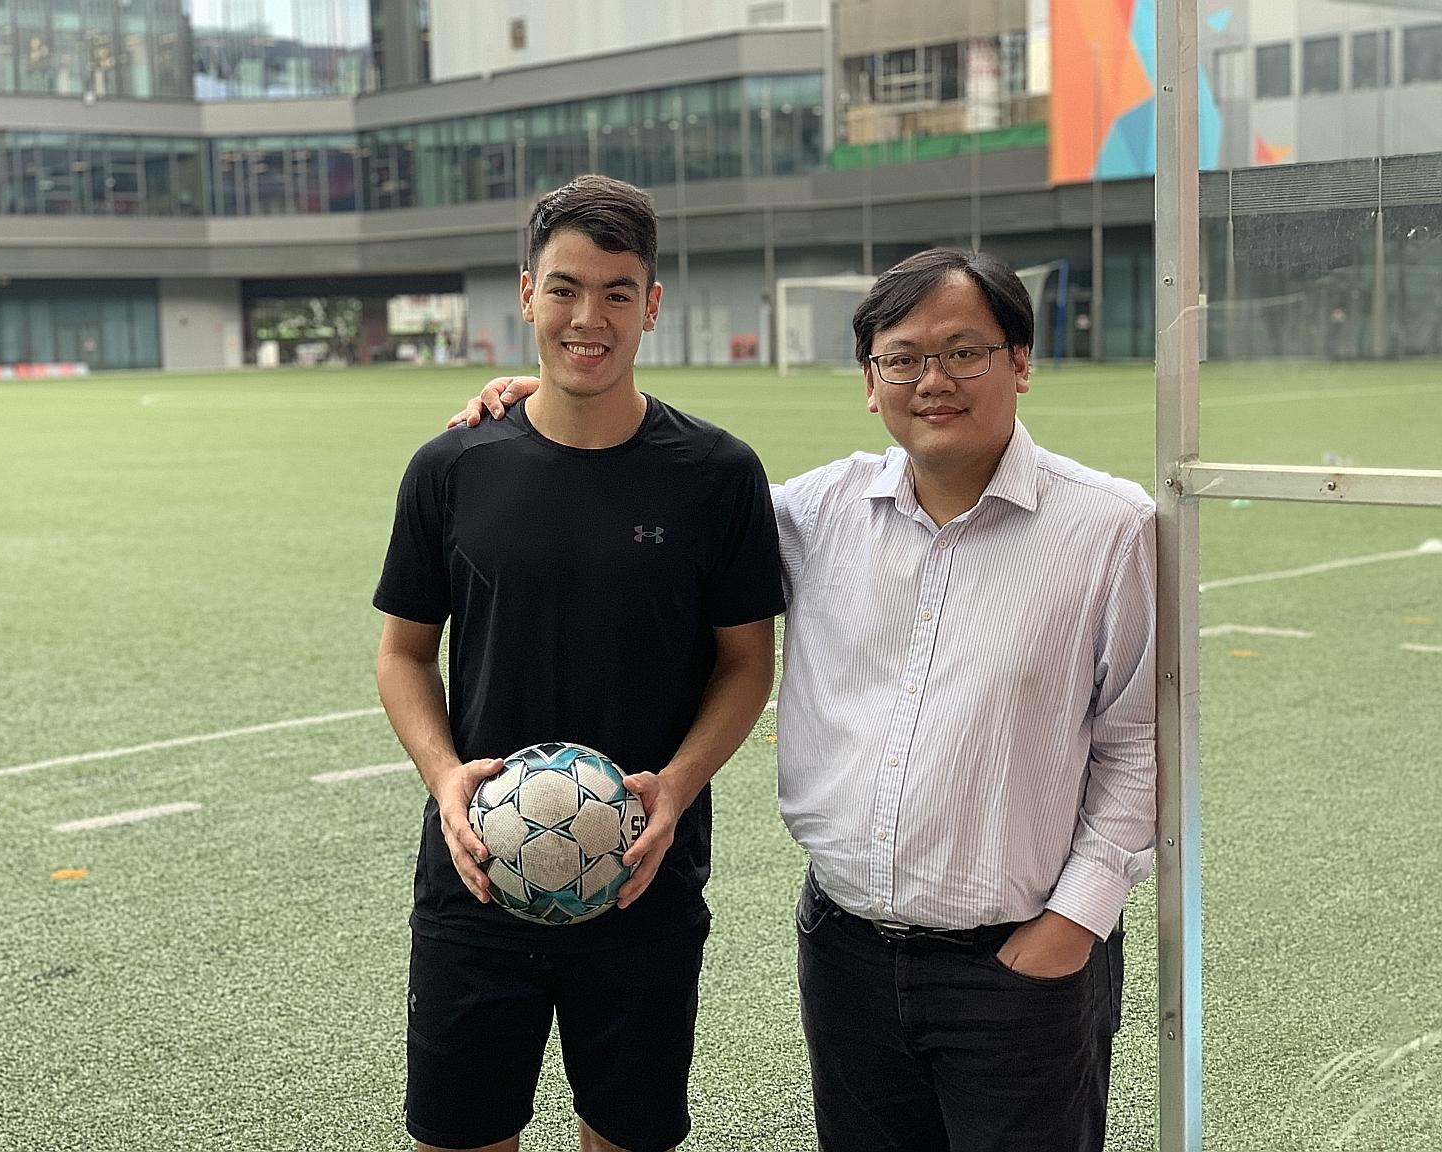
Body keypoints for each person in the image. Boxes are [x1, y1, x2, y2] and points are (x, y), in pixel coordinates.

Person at [450, 246, 1157, 1152]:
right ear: (871, 382)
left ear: (1021, 360)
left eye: (964, 352)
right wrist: (559, 400)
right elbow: (666, 515)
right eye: (901, 358)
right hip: (846, 955)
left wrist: (1071, 926)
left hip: (1020, 968)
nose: (931, 380)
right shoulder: (815, 514)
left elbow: (1137, 743)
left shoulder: (1109, 529)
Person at [375, 174, 783, 1152]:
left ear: (651, 304)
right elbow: (401, 652)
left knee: (627, 1137)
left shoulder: (718, 475)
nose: (585, 317)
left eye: (614, 291)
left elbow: (747, 665)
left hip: (644, 874)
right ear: (527, 295)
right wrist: (444, 781)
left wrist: (678, 787)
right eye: (564, 289)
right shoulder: (452, 467)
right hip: (476, 875)